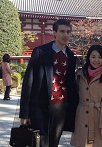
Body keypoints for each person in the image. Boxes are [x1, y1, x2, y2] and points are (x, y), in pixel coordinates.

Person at [19, 19, 78, 147]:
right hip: (40, 105)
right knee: (40, 142)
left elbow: (71, 83)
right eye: (62, 31)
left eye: (68, 32)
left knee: (54, 142)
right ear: (54, 32)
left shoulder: (71, 57)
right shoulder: (40, 52)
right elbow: (28, 82)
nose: (65, 35)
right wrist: (24, 113)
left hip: (61, 106)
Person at [70, 44, 102, 147]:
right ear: (88, 57)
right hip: (81, 116)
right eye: (93, 57)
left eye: (100, 57)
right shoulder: (80, 74)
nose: (96, 60)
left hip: (98, 116)